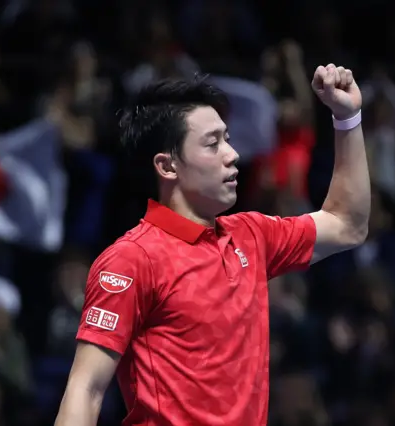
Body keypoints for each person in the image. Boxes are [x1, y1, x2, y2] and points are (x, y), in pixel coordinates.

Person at [54, 64, 370, 426]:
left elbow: (347, 225)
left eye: (228, 138)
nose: (232, 154)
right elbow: (86, 389)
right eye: (212, 143)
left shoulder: (252, 235)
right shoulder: (130, 261)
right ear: (167, 166)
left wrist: (347, 118)